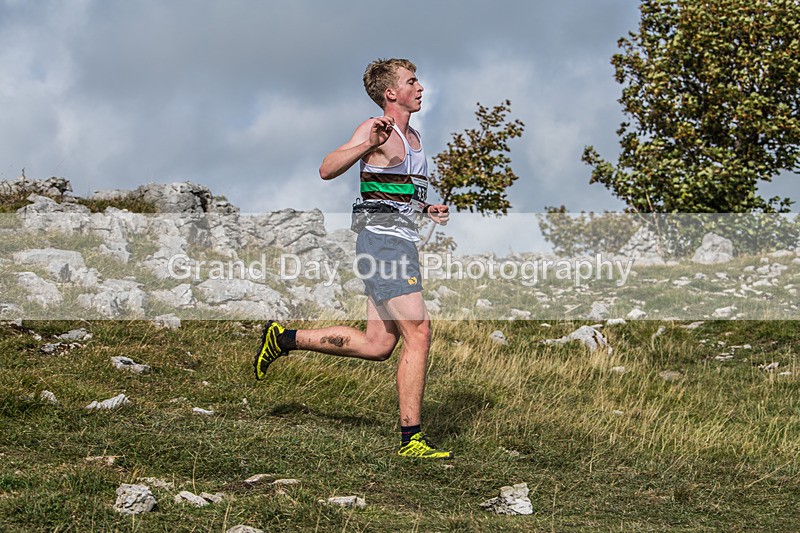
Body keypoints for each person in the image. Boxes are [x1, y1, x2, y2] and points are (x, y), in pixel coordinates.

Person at [254, 58, 452, 459]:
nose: (421, 88)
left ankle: (285, 338)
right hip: (382, 244)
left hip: (399, 243)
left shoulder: (415, 138)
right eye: (412, 82)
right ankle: (411, 439)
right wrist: (367, 144)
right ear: (390, 93)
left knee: (379, 344)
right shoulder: (375, 128)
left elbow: (393, 191)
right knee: (419, 332)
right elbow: (327, 169)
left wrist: (426, 208)